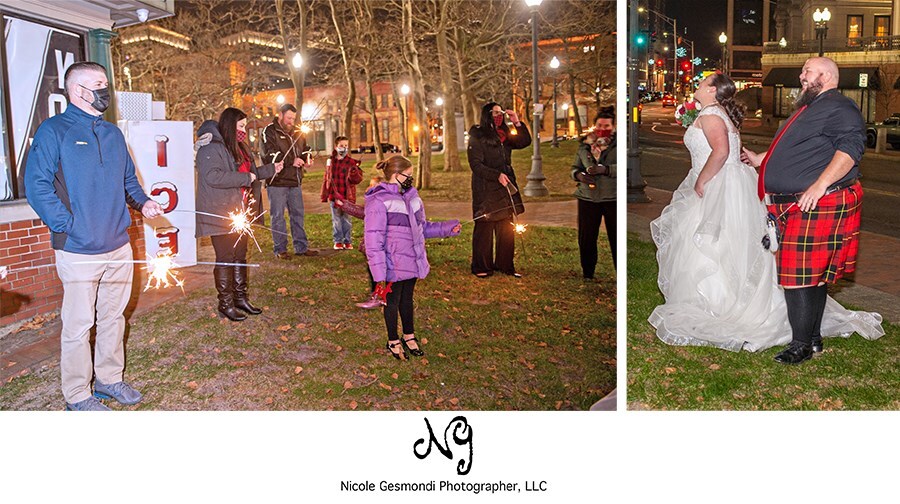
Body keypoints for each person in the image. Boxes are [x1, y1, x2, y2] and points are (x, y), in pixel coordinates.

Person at [649, 71, 883, 354]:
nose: (802, 75)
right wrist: (761, 158)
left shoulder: (712, 115)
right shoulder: (725, 114)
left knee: (714, 245)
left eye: (703, 82)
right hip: (734, 185)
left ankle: (729, 309)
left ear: (712, 90)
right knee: (734, 246)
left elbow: (720, 152)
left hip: (723, 186)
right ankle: (804, 333)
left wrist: (701, 180)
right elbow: (776, 149)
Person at [24, 61, 164, 411]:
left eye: (105, 84)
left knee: (114, 318)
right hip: (78, 249)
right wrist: (68, 225)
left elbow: (129, 181)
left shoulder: (113, 134)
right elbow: (37, 185)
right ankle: (77, 395)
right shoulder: (53, 131)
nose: (105, 90)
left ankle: (108, 379)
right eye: (98, 84)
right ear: (77, 91)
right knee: (78, 325)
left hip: (118, 246)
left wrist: (144, 203)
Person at [742, 57, 884, 363]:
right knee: (812, 276)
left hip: (818, 200)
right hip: (799, 203)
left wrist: (819, 186)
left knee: (797, 277)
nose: (801, 76)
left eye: (807, 71)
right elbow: (798, 149)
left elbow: (850, 150)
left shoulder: (840, 107)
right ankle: (813, 338)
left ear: (827, 76)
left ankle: (800, 346)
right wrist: (761, 159)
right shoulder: (810, 108)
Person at [364, 156, 461, 360]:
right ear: (396, 175)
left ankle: (409, 335)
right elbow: (373, 240)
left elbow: (422, 228)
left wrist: (446, 228)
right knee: (392, 301)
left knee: (407, 299)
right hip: (392, 262)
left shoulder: (413, 197)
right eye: (408, 175)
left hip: (411, 259)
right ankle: (393, 340)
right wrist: (379, 274)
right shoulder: (379, 201)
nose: (411, 178)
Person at [196, 107, 282, 322]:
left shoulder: (239, 147)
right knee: (225, 258)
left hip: (241, 213)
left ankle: (240, 298)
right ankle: (225, 303)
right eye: (241, 126)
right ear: (229, 124)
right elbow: (213, 177)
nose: (244, 131)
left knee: (240, 256)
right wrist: (246, 178)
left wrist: (271, 169)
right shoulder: (210, 147)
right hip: (221, 213)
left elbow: (250, 173)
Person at [467, 102, 531, 278]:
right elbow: (476, 165)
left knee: (506, 227)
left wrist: (516, 122)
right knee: (485, 227)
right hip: (486, 188)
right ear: (487, 114)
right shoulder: (477, 136)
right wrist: (496, 175)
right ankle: (481, 266)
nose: (499, 116)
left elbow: (524, 141)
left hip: (505, 186)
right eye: (495, 112)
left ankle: (504, 264)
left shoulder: (505, 135)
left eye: (501, 112)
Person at [261, 103, 318, 259]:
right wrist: (291, 161)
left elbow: (305, 148)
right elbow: (269, 154)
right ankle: (280, 249)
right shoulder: (269, 131)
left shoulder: (297, 131)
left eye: (293, 118)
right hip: (277, 182)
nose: (291, 121)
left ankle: (301, 247)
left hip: (295, 181)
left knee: (297, 214)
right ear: (280, 115)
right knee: (277, 216)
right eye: (288, 118)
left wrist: (307, 158)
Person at [572, 106, 617, 281]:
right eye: (599, 125)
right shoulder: (585, 145)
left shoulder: (618, 144)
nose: (602, 129)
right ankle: (588, 273)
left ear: (613, 127)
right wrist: (579, 175)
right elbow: (575, 167)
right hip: (587, 197)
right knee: (587, 238)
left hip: (611, 197)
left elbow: (625, 167)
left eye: (606, 126)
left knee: (616, 238)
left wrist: (606, 169)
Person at [334, 174, 386, 309]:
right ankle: (378, 294)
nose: (370, 188)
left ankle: (379, 295)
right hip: (373, 245)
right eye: (370, 185)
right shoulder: (374, 202)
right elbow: (362, 211)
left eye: (374, 186)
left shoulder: (381, 204)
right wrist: (344, 204)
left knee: (378, 270)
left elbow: (363, 212)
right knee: (373, 269)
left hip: (380, 245)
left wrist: (344, 204)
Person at [321, 135, 363, 249]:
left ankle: (347, 241)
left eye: (346, 146)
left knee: (347, 219)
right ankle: (338, 240)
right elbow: (327, 178)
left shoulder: (351, 162)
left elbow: (357, 180)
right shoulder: (331, 161)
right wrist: (324, 194)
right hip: (334, 195)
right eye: (341, 145)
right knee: (336, 219)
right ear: (336, 147)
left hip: (346, 196)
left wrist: (354, 173)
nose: (344, 148)